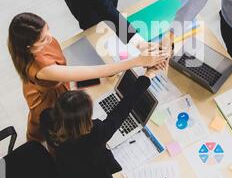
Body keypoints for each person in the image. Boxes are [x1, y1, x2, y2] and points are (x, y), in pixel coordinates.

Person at [40, 67, 157, 178]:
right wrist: (146, 77)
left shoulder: (48, 119)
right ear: (85, 120)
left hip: (68, 173)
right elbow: (122, 110)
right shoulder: (95, 133)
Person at [8, 13, 167, 142]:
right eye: (43, 39)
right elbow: (88, 72)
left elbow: (72, 72)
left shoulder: (42, 45)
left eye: (48, 29)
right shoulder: (42, 70)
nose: (50, 37)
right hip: (49, 105)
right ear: (29, 47)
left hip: (61, 88)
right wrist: (139, 61)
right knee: (53, 135)